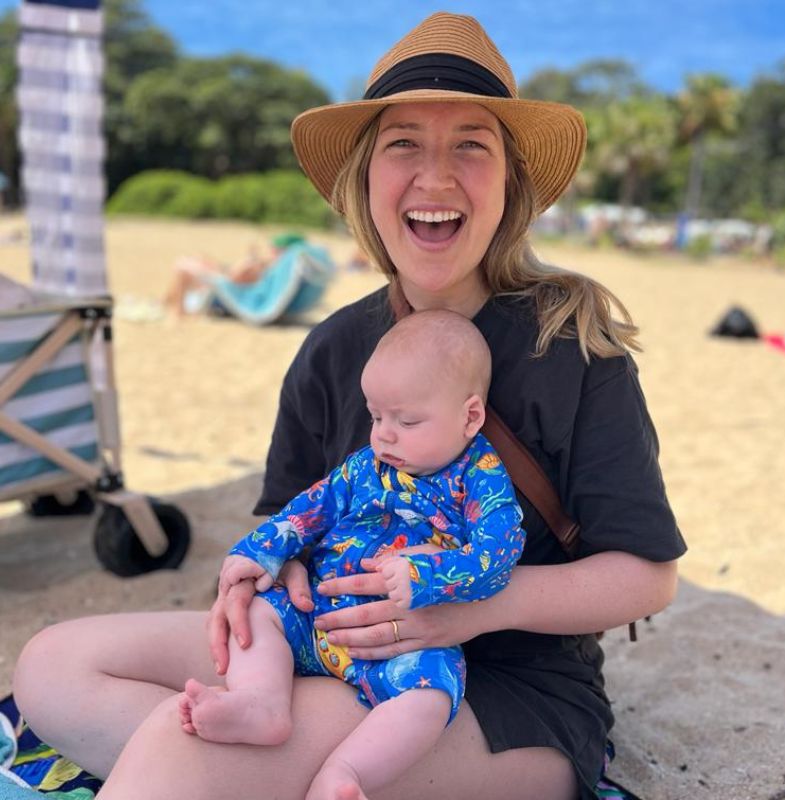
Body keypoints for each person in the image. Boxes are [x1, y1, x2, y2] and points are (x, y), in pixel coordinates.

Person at [13, 12, 686, 800]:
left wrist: (462, 613)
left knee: (183, 741)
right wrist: (271, 572)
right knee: (52, 665)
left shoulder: (572, 348)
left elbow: (647, 577)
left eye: (472, 144)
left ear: (512, 183)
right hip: (326, 643)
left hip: (499, 691)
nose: (435, 176)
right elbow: (288, 517)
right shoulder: (334, 349)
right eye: (403, 143)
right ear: (365, 180)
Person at [179, 309, 524, 799]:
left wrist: (425, 573)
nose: (383, 434)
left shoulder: (480, 479)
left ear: (470, 416)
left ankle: (346, 773)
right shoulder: (367, 466)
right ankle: (261, 705)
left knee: (432, 695)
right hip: (314, 619)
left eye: (407, 420)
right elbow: (312, 507)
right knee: (259, 612)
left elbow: (497, 556)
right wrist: (262, 550)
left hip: (401, 644)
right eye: (376, 416)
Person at [163, 231, 306, 316]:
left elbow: (234, 279)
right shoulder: (277, 268)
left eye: (274, 248)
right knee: (196, 259)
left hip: (228, 288)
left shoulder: (265, 267)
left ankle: (175, 311)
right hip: (228, 284)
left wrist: (250, 262)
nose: (271, 251)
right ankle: (165, 303)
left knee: (183, 268)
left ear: (282, 250)